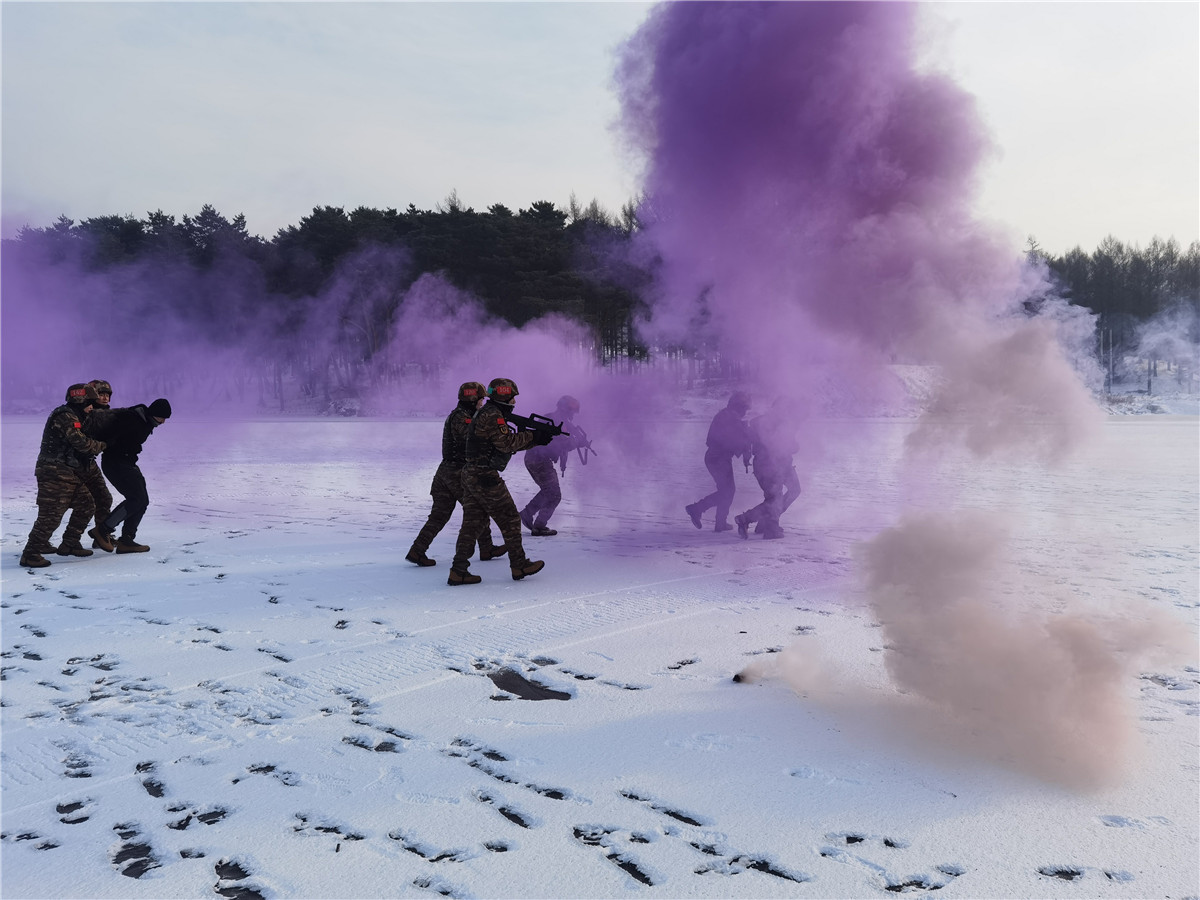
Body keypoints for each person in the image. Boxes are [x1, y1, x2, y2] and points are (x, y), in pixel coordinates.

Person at [449, 378, 550, 585]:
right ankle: (519, 564)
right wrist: (534, 438)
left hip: (471, 474)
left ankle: (458, 570)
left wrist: (533, 437)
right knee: (511, 519)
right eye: (512, 397)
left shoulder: (487, 412)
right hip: (484, 476)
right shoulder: (493, 416)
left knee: (471, 525)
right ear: (505, 396)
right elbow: (505, 443)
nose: (514, 401)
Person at [406, 381, 506, 567]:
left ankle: (417, 550)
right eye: (481, 399)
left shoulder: (464, 415)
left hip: (446, 472)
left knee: (439, 515)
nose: (482, 403)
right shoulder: (461, 417)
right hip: (456, 473)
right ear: (472, 398)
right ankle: (486, 548)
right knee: (478, 509)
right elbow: (472, 436)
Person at [19, 384, 108, 568]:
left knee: (86, 504)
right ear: (80, 401)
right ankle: (31, 553)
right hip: (54, 472)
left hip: (66, 471)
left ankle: (70, 543)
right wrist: (103, 444)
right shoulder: (66, 416)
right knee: (51, 514)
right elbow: (81, 444)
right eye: (90, 403)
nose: (92, 407)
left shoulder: (76, 415)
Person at [85, 398, 172, 554]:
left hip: (127, 463)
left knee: (142, 500)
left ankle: (127, 540)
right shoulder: (132, 419)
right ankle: (103, 530)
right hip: (116, 463)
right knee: (136, 499)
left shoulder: (144, 421)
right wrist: (115, 448)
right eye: (163, 418)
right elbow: (109, 434)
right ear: (155, 414)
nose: (164, 422)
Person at [685, 391, 753, 532]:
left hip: (717, 457)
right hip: (718, 458)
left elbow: (738, 437)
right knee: (727, 491)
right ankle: (697, 509)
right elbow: (737, 438)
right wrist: (746, 441)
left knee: (726, 490)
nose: (745, 412)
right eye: (744, 408)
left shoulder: (726, 415)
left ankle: (719, 522)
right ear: (738, 406)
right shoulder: (730, 417)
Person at [734, 398, 801, 540]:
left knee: (794, 490)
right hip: (767, 465)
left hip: (785, 464)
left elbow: (792, 445)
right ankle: (753, 521)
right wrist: (747, 456)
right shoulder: (760, 423)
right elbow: (747, 441)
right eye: (781, 408)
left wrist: (793, 446)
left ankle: (766, 521)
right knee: (774, 498)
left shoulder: (786, 424)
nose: (784, 411)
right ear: (774, 408)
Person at [520, 394, 583, 536]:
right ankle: (539, 526)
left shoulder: (556, 419)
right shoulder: (557, 421)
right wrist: (576, 443)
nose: (573, 414)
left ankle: (527, 514)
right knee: (554, 494)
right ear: (566, 409)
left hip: (536, 458)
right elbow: (559, 444)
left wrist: (578, 440)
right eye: (571, 411)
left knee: (548, 491)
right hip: (538, 459)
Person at [81, 379, 115, 552]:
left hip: (88, 463)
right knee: (79, 504)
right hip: (73, 465)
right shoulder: (86, 413)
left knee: (104, 498)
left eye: (107, 395)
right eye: (101, 394)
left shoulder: (104, 413)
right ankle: (69, 541)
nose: (105, 398)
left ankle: (101, 535)